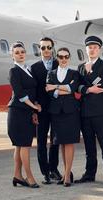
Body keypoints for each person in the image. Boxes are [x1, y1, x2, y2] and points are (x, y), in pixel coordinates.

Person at [75, 36, 103, 186]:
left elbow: (102, 84)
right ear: (86, 49)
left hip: (101, 112)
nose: (92, 49)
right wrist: (88, 88)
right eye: (90, 47)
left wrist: (85, 86)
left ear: (99, 49)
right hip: (85, 113)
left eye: (95, 47)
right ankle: (89, 173)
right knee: (89, 146)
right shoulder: (80, 67)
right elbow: (77, 86)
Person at [7, 42, 41, 188]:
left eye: (22, 52)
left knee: (20, 147)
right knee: (24, 145)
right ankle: (29, 177)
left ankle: (17, 175)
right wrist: (34, 106)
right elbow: (20, 93)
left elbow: (32, 92)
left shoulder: (28, 70)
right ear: (12, 56)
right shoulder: (13, 71)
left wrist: (33, 110)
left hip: (26, 112)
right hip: (18, 112)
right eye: (17, 52)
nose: (20, 54)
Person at [46, 47, 80, 187]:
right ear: (57, 58)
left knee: (69, 143)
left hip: (70, 112)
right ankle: (66, 173)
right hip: (56, 113)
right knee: (61, 142)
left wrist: (56, 87)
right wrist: (64, 88)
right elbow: (49, 91)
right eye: (61, 57)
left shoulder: (74, 73)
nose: (64, 59)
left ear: (69, 58)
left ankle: (66, 176)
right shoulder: (51, 73)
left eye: (66, 56)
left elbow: (73, 90)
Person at [30, 37, 61, 184]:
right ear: (39, 49)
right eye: (43, 48)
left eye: (49, 47)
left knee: (55, 141)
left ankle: (54, 169)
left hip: (56, 109)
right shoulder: (34, 67)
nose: (46, 50)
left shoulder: (58, 64)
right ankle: (45, 172)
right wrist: (34, 109)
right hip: (41, 109)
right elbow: (33, 90)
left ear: (52, 48)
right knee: (41, 141)